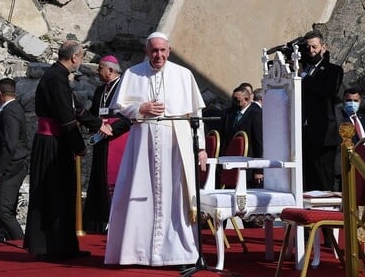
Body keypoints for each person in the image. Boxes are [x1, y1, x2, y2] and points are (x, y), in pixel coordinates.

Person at [104, 32, 208, 268]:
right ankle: (136, 253)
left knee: (176, 197)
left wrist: (200, 147)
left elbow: (195, 115)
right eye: (154, 50)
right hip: (143, 142)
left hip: (175, 141)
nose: (158, 55)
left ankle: (179, 254)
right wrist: (141, 107)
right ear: (146, 51)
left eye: (162, 50)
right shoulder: (133, 73)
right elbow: (120, 107)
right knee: (139, 194)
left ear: (169, 51)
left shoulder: (183, 74)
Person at [24, 40, 111, 261]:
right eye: (81, 58)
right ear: (74, 57)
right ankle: (54, 248)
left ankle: (58, 246)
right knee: (56, 194)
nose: (80, 62)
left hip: (53, 141)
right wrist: (79, 145)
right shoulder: (57, 78)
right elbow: (66, 117)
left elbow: (77, 107)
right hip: (52, 142)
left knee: (59, 194)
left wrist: (97, 123)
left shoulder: (57, 76)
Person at [82, 54, 131, 233]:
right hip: (101, 140)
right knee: (98, 179)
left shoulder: (126, 88)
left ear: (110, 70)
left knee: (114, 181)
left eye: (100, 67)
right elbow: (96, 114)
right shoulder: (99, 90)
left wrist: (111, 129)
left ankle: (116, 222)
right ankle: (97, 224)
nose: (97, 71)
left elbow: (129, 116)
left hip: (118, 140)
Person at [300, 30, 343, 191]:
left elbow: (327, 91)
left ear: (323, 47)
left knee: (324, 177)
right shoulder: (302, 69)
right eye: (308, 48)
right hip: (304, 134)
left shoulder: (333, 70)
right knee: (308, 178)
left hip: (324, 134)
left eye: (314, 47)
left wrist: (304, 77)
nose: (311, 51)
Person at [0, 78, 30, 241]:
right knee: (7, 208)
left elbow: (9, 144)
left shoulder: (9, 111)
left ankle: (21, 244)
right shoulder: (15, 107)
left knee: (4, 210)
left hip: (12, 166)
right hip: (15, 165)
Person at [219, 86, 263, 186]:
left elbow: (259, 142)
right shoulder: (231, 114)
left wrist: (259, 169)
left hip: (248, 164)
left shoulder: (256, 114)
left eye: (236, 99)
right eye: (233, 99)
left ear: (246, 99)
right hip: (232, 163)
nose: (233, 102)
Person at [333, 87, 365, 191]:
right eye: (349, 100)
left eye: (355, 101)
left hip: (363, 165)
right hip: (346, 166)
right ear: (343, 100)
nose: (352, 103)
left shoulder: (362, 118)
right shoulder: (339, 119)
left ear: (360, 101)